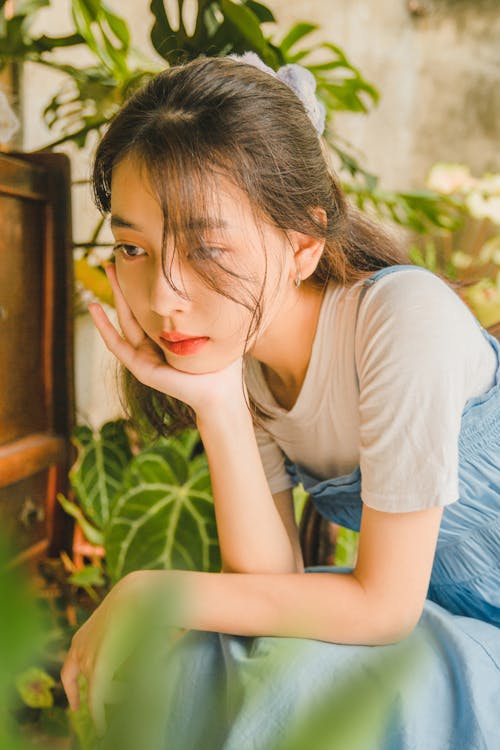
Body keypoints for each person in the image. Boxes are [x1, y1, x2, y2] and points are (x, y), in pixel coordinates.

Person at [61, 54, 500, 749]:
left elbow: (383, 607)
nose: (164, 296)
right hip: (447, 620)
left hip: (462, 628)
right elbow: (267, 592)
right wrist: (217, 400)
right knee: (213, 655)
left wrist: (152, 589)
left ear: (303, 245)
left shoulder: (401, 319)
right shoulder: (244, 358)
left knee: (295, 677)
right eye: (134, 249)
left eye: (205, 246)